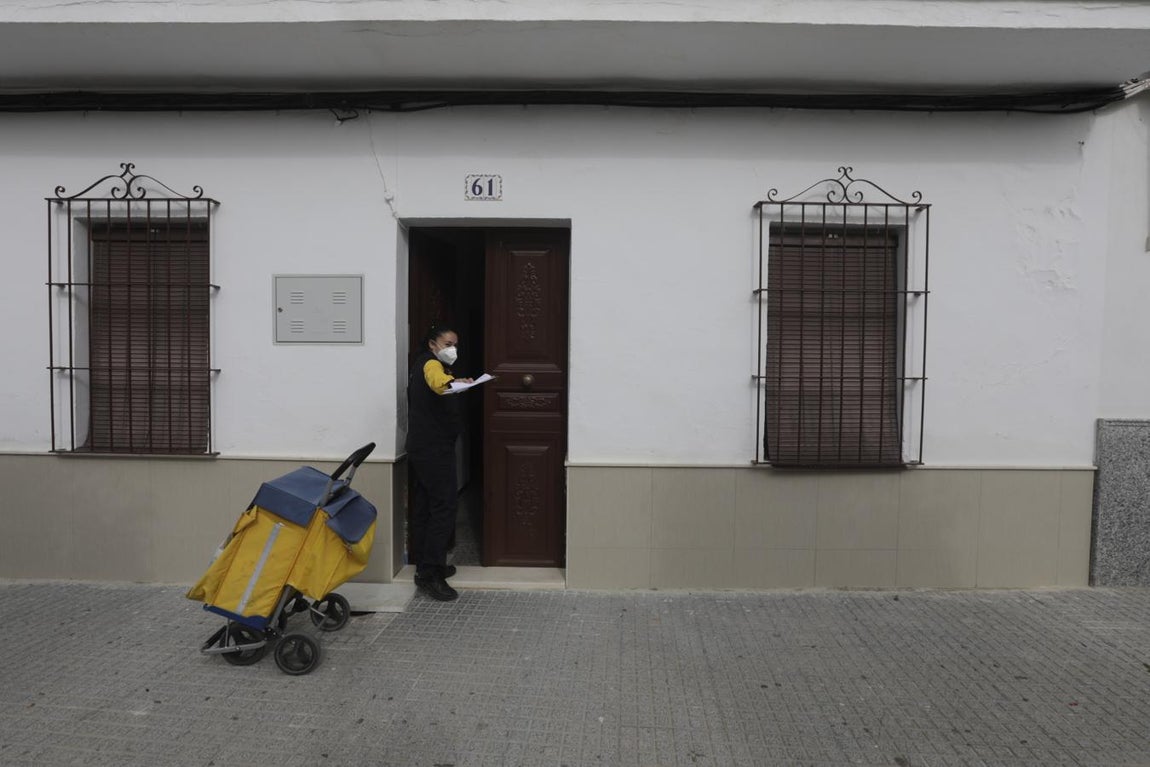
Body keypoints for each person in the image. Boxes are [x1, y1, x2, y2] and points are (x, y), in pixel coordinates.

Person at [406, 325, 474, 601]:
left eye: (455, 344)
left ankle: (426, 564)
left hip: (423, 448)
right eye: (448, 343)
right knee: (444, 506)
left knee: (424, 506)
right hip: (433, 450)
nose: (452, 348)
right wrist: (457, 384)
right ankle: (430, 574)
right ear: (433, 343)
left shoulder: (422, 364)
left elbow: (439, 386)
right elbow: (438, 384)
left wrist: (460, 383)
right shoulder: (432, 364)